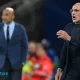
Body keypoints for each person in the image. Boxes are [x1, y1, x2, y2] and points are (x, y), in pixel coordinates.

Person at [0, 7, 28, 80]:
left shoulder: (20, 28)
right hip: (2, 65)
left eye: (6, 15)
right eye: (3, 15)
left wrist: (23, 61)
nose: (4, 17)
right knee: (3, 78)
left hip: (16, 64)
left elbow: (24, 46)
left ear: (13, 16)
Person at [55, 3, 80, 80]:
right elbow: (65, 50)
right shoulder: (69, 27)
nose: (73, 13)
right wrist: (60, 69)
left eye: (76, 10)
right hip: (70, 71)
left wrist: (69, 38)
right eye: (72, 10)